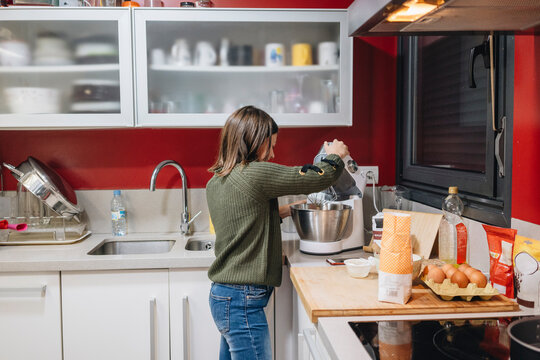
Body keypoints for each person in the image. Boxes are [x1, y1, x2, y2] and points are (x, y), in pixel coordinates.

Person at [206, 105, 349, 360]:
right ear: (254, 141)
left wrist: (286, 210)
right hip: (242, 301)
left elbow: (246, 220)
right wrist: (335, 157)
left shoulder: (217, 180)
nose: (272, 153)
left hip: (225, 295)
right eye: (270, 145)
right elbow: (315, 178)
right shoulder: (254, 173)